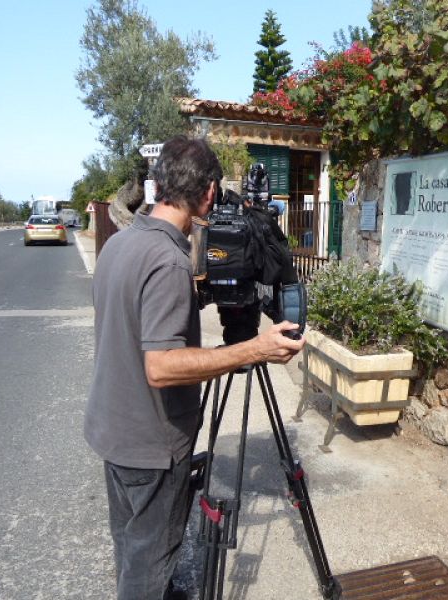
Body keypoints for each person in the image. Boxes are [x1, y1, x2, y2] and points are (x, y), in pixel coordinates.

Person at [84, 135, 305, 600]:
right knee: (147, 567)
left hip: (114, 432)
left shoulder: (119, 245)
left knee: (131, 549)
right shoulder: (167, 262)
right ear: (207, 194)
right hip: (151, 447)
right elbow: (161, 368)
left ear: (158, 184)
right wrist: (254, 350)